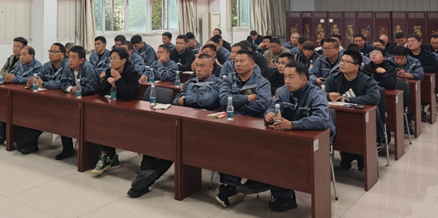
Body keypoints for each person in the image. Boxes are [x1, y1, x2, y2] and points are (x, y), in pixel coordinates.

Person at [128, 54, 219, 198]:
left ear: (211, 67)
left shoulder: (217, 83)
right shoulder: (190, 82)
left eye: (203, 66)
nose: (198, 69)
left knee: (174, 146)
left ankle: (145, 179)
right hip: (181, 120)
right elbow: (177, 100)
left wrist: (187, 99)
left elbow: (208, 100)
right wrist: (187, 101)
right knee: (155, 137)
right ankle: (145, 173)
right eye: (197, 66)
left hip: (201, 126)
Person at [257, 61, 336, 212]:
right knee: (267, 148)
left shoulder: (316, 94)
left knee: (281, 155)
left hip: (319, 140)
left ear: (304, 79)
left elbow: (323, 119)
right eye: (285, 76)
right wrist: (269, 115)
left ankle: (285, 196)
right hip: (292, 136)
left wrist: (294, 125)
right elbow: (272, 107)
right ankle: (267, 183)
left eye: (291, 77)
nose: (287, 81)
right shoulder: (283, 91)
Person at [215, 50, 271, 208]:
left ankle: (232, 184)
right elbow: (224, 99)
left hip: (253, 123)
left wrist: (237, 103)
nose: (238, 64)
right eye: (236, 61)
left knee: (239, 146)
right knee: (221, 143)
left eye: (242, 61)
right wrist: (248, 98)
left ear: (252, 64)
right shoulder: (228, 79)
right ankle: (230, 184)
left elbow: (262, 104)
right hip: (231, 121)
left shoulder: (262, 82)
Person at [324, 50, 381, 171]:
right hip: (339, 120)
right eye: (342, 61)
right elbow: (320, 94)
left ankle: (357, 156)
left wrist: (347, 99)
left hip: (363, 122)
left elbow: (374, 97)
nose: (342, 64)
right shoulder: (333, 78)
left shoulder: (367, 80)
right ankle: (348, 154)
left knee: (355, 133)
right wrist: (328, 96)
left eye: (346, 61)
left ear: (356, 66)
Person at [14, 43, 72, 155]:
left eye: (54, 51)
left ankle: (28, 141)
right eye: (50, 51)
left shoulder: (68, 66)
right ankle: (31, 143)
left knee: (54, 117)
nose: (51, 54)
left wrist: (45, 84)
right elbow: (38, 77)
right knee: (32, 112)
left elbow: (64, 83)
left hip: (65, 100)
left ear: (63, 54)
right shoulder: (46, 65)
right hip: (48, 99)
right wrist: (33, 80)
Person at [93, 47, 140, 175]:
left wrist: (118, 78)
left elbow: (127, 96)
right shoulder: (110, 70)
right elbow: (100, 92)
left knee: (107, 124)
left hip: (132, 110)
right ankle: (106, 157)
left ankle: (109, 158)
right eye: (110, 59)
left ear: (123, 60)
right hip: (115, 107)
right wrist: (108, 81)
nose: (111, 61)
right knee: (100, 122)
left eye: (115, 58)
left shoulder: (132, 73)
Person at [0, 45, 43, 145]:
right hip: (17, 93)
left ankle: (2, 132)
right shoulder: (20, 65)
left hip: (30, 97)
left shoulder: (38, 66)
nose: (21, 57)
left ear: (31, 55)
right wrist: (8, 77)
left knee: (14, 108)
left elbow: (30, 79)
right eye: (20, 55)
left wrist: (14, 79)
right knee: (5, 104)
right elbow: (12, 73)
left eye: (24, 55)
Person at [54, 45, 101, 160]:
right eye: (69, 57)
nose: (70, 60)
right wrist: (71, 89)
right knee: (63, 119)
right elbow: (63, 82)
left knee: (85, 125)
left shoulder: (88, 68)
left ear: (81, 60)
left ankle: (90, 154)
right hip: (74, 99)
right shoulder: (67, 66)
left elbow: (93, 88)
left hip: (90, 102)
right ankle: (67, 149)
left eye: (73, 57)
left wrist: (78, 90)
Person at [363, 48, 411, 115]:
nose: (373, 55)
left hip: (385, 95)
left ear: (384, 57)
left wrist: (383, 73)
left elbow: (391, 85)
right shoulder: (366, 67)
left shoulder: (390, 67)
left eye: (377, 53)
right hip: (371, 94)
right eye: (372, 53)